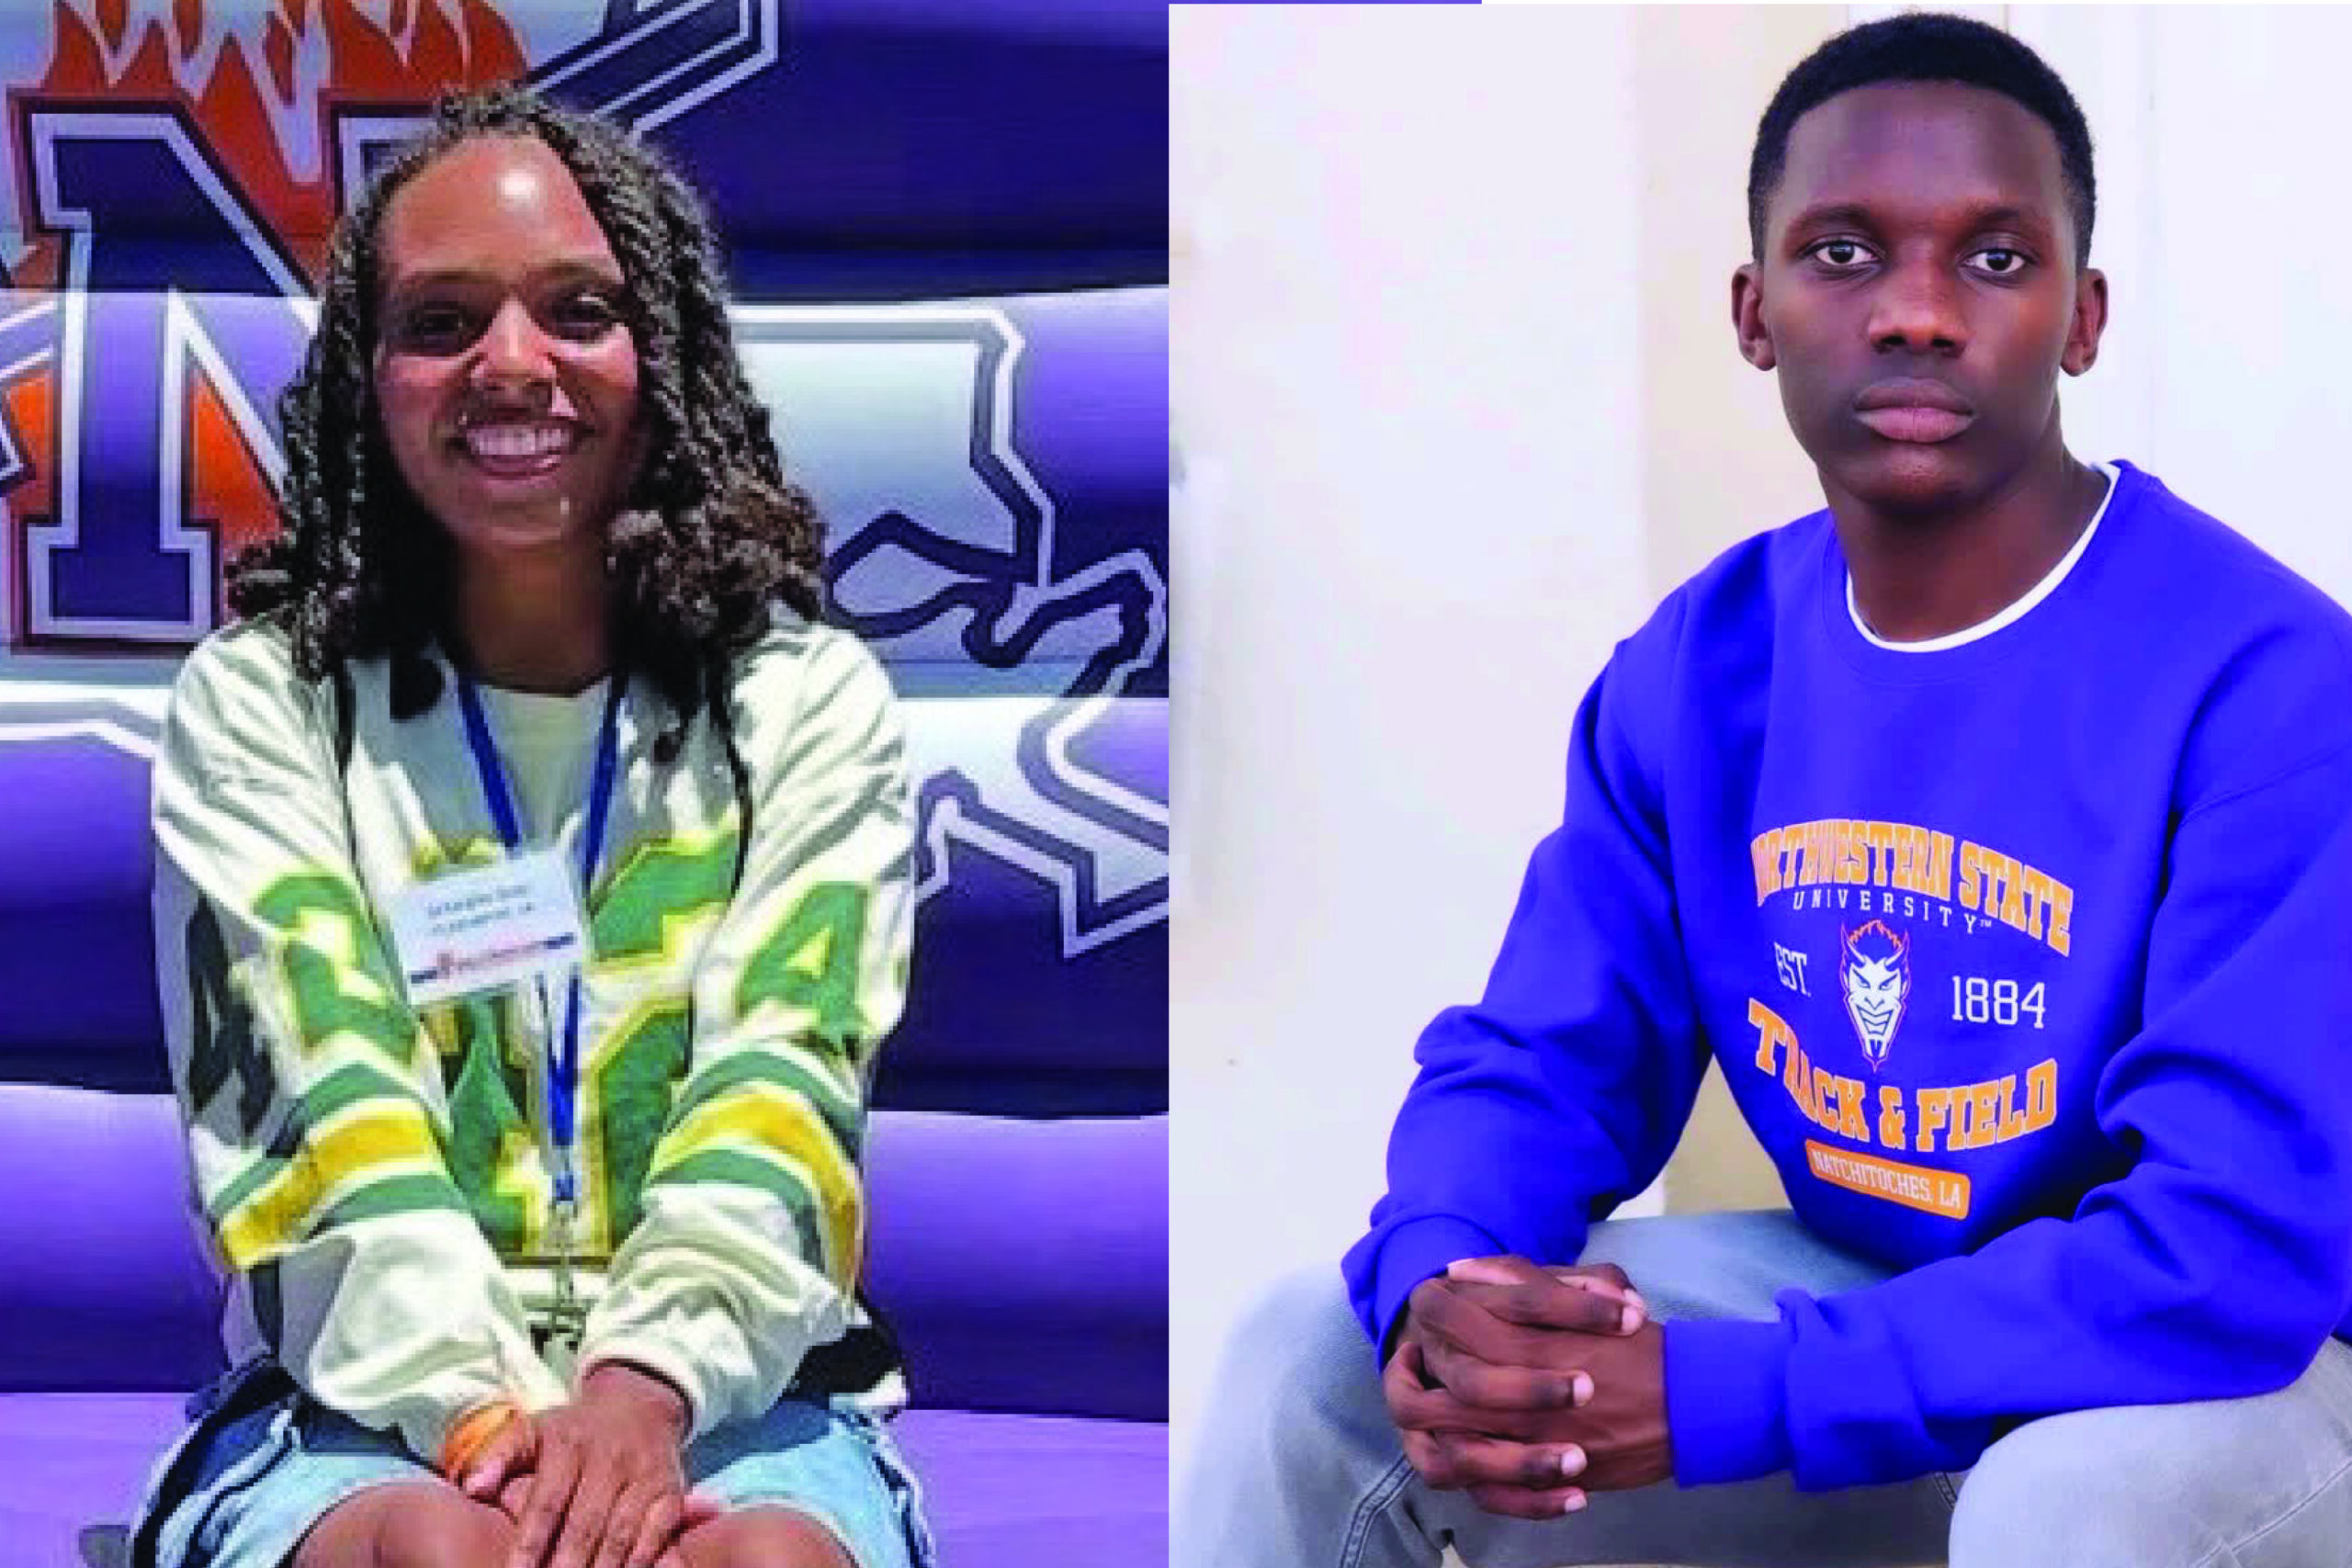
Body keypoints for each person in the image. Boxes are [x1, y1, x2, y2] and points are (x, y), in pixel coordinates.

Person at [1181, 14, 2352, 1567]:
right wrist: (1446, 1279)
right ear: (1757, 309)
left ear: (2085, 315)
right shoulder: (1699, 667)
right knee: (1314, 1361)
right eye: (1848, 253)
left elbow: (2224, 1256)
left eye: (1996, 260)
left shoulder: (2269, 678)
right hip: (1880, 1301)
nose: (1920, 314)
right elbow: (1539, 1063)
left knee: (2060, 1515)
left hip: (2232, 1379)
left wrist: (1743, 1390)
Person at [129, 85, 933, 1568]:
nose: (513, 364)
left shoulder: (805, 702)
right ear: (366, 382)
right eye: (439, 323)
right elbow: (320, 1105)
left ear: (667, 354)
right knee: (442, 1557)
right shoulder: (264, 706)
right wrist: (499, 1433)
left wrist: (637, 1400)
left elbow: (787, 1077)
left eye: (579, 309)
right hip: (362, 1407)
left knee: (763, 1565)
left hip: (737, 1398)